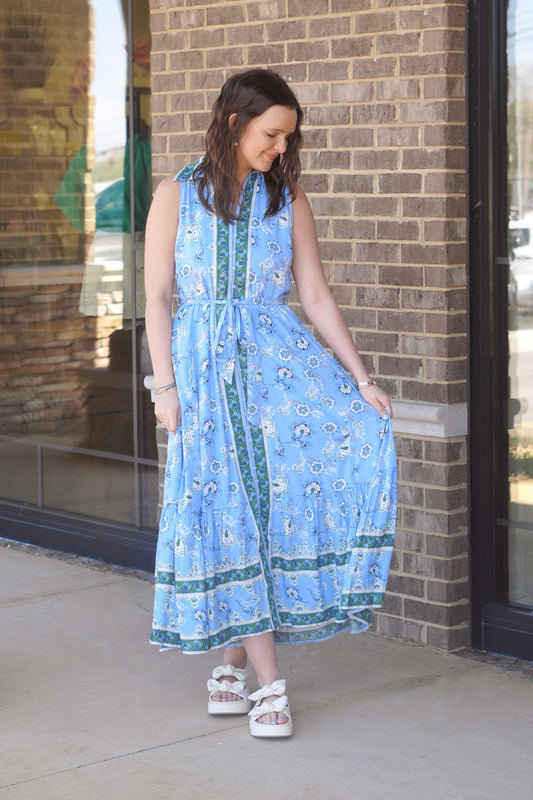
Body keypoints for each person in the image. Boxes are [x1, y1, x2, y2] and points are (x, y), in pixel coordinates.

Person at [145, 68, 397, 739]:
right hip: (201, 376)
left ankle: (233, 668)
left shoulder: (287, 201)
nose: (281, 148)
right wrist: (162, 387)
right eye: (271, 134)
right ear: (234, 124)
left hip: (275, 372)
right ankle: (268, 685)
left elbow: (313, 297)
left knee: (260, 509)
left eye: (288, 137)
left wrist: (360, 377)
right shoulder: (175, 194)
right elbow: (157, 299)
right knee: (225, 508)